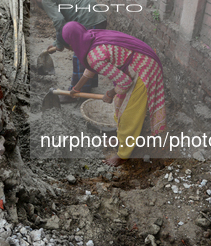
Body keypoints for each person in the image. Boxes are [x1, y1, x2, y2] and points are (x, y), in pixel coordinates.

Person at [62, 22, 166, 166]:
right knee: (120, 103)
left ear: (73, 43)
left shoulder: (94, 56)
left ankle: (123, 155)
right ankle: (120, 137)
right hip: (136, 61)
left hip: (144, 67)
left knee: (130, 112)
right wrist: (76, 88)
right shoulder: (90, 37)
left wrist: (110, 94)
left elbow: (124, 82)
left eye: (69, 46)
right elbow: (91, 67)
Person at [30, 0, 107, 98]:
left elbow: (59, 20)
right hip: (99, 18)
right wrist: (58, 43)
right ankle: (88, 86)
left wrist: (59, 43)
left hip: (88, 19)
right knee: (91, 54)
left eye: (34, 2)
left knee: (79, 56)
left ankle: (75, 93)